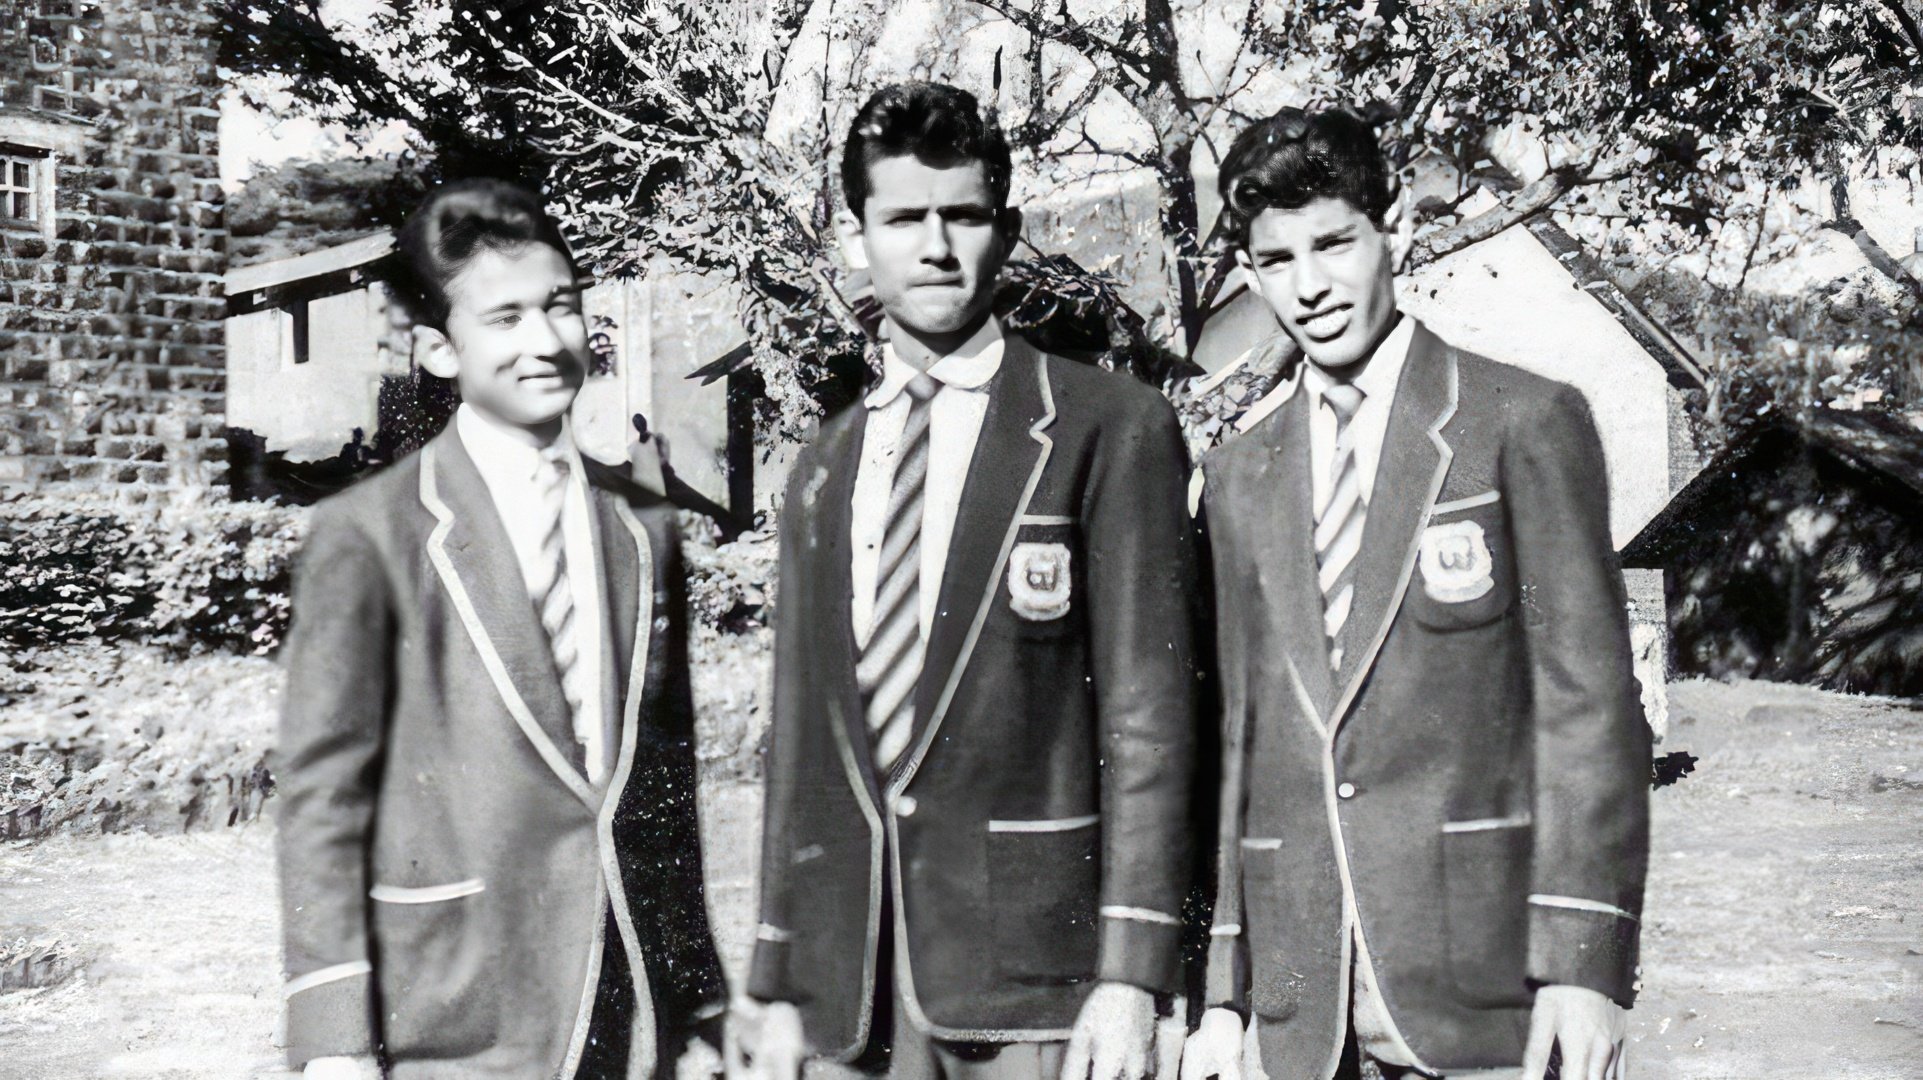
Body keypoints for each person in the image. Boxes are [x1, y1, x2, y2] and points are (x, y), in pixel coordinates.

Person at [736, 82, 1202, 1080]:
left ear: (1009, 228)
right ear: (856, 236)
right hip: (850, 981)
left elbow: (1148, 716)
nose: (936, 247)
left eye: (964, 216)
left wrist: (1131, 972)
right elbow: (801, 740)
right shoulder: (825, 464)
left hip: (1035, 975)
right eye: (904, 219)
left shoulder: (1105, 426)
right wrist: (774, 983)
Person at [1179, 108, 1650, 1080]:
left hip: (1486, 992)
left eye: (1334, 244)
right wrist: (1225, 994)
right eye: (1276, 261)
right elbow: (1239, 742)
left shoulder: (1521, 420)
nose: (1308, 286)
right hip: (1300, 1007)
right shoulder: (1239, 475)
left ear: (1391, 223)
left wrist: (1583, 966)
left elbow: (1588, 713)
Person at [274, 179, 726, 1079]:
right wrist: (333, 1039)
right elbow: (324, 796)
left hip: (631, 1003)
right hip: (460, 1012)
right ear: (441, 350)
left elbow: (660, 782)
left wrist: (701, 1004)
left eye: (560, 306)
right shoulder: (369, 533)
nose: (544, 341)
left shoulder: (645, 526)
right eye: (505, 318)